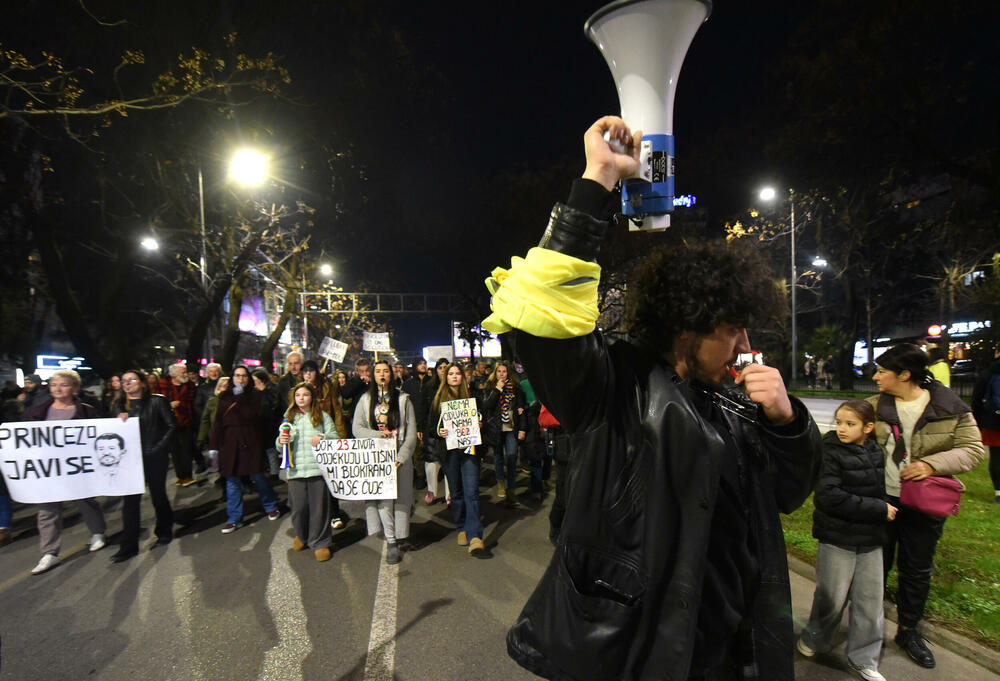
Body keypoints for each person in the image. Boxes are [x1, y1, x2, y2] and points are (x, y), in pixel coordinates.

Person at [485, 116, 823, 681]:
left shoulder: (735, 404)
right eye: (733, 329)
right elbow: (541, 315)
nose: (745, 345)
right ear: (688, 324)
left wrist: (788, 424)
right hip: (633, 651)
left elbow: (786, 496)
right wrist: (597, 180)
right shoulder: (614, 385)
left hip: (726, 652)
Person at [868, 343, 985, 669]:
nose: (875, 376)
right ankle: (868, 630)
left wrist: (931, 465)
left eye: (882, 371)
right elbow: (847, 439)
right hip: (882, 500)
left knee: (917, 569)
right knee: (875, 565)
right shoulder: (873, 406)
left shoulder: (950, 408)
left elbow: (973, 449)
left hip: (924, 501)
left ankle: (908, 631)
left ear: (904, 374)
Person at [798, 399, 894, 681]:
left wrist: (882, 507)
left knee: (870, 601)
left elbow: (878, 488)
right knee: (831, 597)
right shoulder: (830, 451)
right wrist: (879, 509)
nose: (841, 428)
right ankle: (814, 639)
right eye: (839, 422)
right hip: (837, 538)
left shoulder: (875, 451)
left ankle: (864, 659)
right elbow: (828, 496)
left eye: (850, 424)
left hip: (870, 538)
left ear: (868, 427)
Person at [24, 370, 109, 574]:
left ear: (75, 388)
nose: (58, 389)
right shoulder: (38, 411)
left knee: (85, 501)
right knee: (47, 510)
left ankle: (98, 533)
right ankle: (49, 553)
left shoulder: (86, 410)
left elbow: (100, 432)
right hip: (49, 469)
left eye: (63, 384)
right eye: (54, 385)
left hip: (76, 468)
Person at [352, 359, 417, 564]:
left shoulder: (404, 400)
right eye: (378, 371)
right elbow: (357, 429)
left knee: (401, 498)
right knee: (383, 499)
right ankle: (391, 540)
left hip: (399, 457)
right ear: (373, 375)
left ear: (392, 374)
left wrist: (402, 456)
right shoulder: (365, 400)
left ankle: (400, 531)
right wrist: (377, 436)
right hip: (376, 457)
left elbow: (412, 432)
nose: (382, 374)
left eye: (386, 371)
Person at [111, 369, 177, 562]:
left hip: (153, 458)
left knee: (158, 495)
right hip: (129, 460)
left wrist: (156, 448)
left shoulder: (157, 401)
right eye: (124, 381)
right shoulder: (118, 405)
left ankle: (164, 530)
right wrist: (118, 420)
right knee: (130, 502)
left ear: (142, 383)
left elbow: (171, 426)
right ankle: (128, 546)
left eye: (131, 380)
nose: (127, 384)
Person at [209, 365, 281, 533]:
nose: (240, 379)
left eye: (243, 376)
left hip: (250, 441)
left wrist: (241, 397)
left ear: (248, 379)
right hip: (230, 444)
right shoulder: (224, 396)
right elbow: (218, 422)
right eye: (237, 375)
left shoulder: (254, 396)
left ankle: (270, 504)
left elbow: (249, 414)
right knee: (232, 481)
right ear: (232, 378)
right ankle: (234, 517)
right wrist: (214, 447)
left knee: (258, 476)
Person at [428, 363, 486, 554]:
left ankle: (475, 535)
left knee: (472, 492)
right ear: (446, 377)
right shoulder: (438, 400)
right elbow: (430, 428)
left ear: (463, 376)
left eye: (457, 373)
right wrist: (440, 431)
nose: (454, 377)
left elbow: (481, 416)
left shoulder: (472, 398)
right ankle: (462, 526)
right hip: (449, 452)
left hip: (469, 450)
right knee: (457, 492)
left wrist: (479, 422)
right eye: (450, 374)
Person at [277, 382, 339, 562]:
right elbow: (279, 445)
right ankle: (302, 535)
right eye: (298, 395)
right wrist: (281, 440)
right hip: (295, 472)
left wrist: (322, 438)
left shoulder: (322, 416)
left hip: (317, 471)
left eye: (305, 395)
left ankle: (320, 542)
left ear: (312, 397)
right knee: (298, 508)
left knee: (319, 509)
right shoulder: (288, 418)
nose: (301, 398)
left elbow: (335, 437)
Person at [300, 360, 348, 528]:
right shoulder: (297, 391)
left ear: (316, 372)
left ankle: (334, 513)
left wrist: (340, 439)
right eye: (304, 371)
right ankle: (316, 516)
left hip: (326, 438)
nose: (308, 374)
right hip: (306, 441)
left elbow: (337, 413)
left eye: (310, 371)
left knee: (329, 476)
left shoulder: (328, 388)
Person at [480, 360, 527, 506]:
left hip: (511, 428)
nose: (501, 374)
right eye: (499, 371)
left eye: (504, 371)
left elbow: (521, 408)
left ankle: (511, 489)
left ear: (509, 373)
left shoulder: (516, 388)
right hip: (496, 428)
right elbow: (486, 406)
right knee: (498, 457)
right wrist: (497, 390)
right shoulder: (489, 387)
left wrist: (522, 428)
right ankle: (501, 483)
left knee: (512, 456)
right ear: (495, 373)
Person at [971, 349, 1000, 503]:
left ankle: (999, 492)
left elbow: (976, 400)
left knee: (996, 456)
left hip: (993, 420)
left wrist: (978, 422)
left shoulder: (988, 373)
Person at [164, 363, 199, 485]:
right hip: (169, 423)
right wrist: (169, 405)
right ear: (173, 374)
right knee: (175, 451)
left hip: (186, 421)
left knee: (186, 449)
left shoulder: (190, 385)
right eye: (182, 372)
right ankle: (180, 476)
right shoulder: (164, 384)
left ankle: (187, 476)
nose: (185, 375)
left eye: (185, 372)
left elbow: (192, 401)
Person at [275, 350, 305, 416]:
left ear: (302, 364)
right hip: (290, 417)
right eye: (290, 364)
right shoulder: (283, 381)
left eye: (296, 363)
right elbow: (279, 403)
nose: (293, 367)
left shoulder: (307, 379)